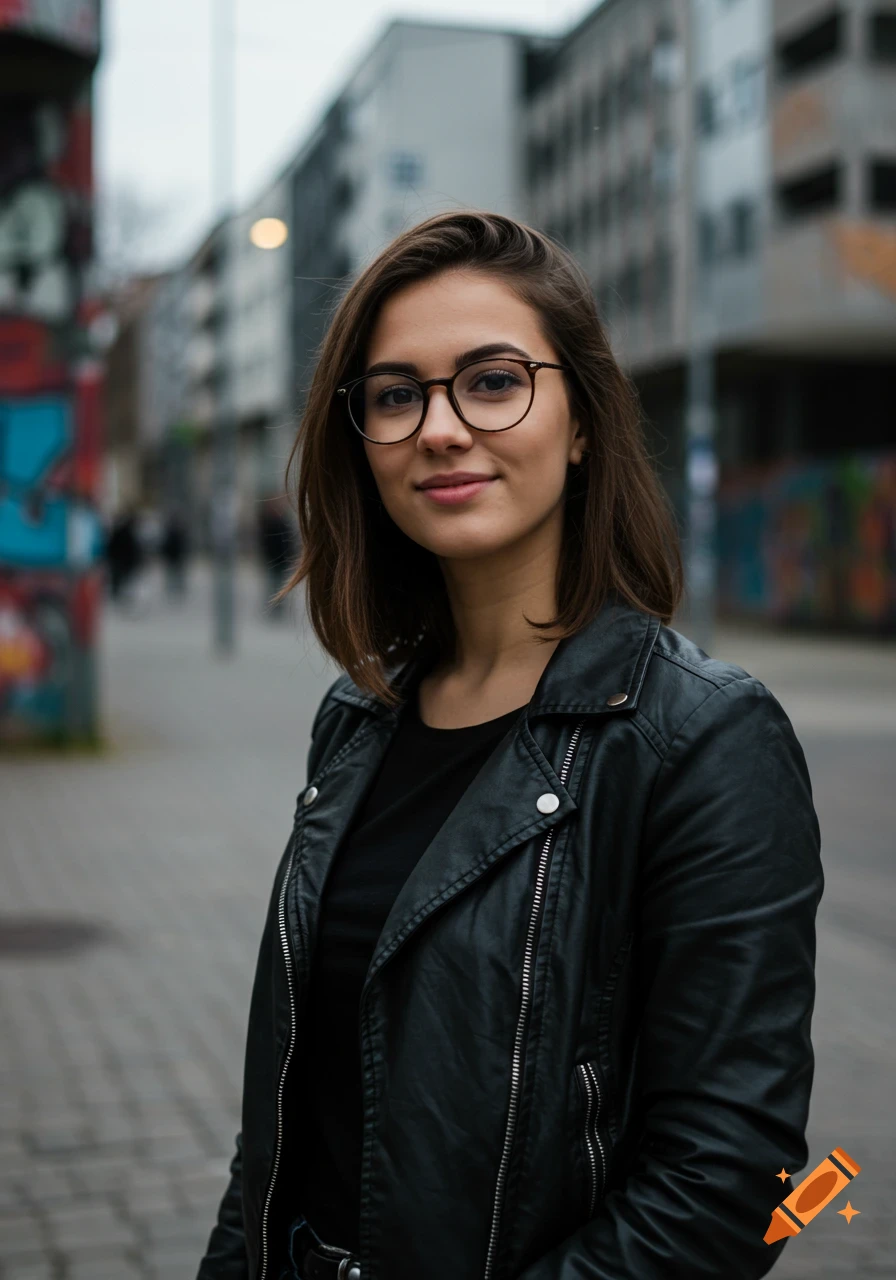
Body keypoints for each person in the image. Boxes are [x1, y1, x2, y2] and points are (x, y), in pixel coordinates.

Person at [196, 212, 823, 1280]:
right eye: (395, 394)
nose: (439, 427)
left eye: (491, 380)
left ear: (580, 419)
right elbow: (285, 1116)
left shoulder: (698, 738)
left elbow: (728, 1182)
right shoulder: (355, 718)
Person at [257, 494, 296, 617]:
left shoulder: (283, 521)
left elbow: (289, 541)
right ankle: (273, 607)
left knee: (279, 584)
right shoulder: (269, 522)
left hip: (282, 559)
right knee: (273, 584)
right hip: (273, 559)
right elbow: (266, 542)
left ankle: (278, 607)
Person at [159, 509, 190, 599]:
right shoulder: (178, 531)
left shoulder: (171, 531)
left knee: (174, 573)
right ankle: (176, 588)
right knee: (175, 573)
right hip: (175, 556)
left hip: (173, 556)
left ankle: (174, 588)